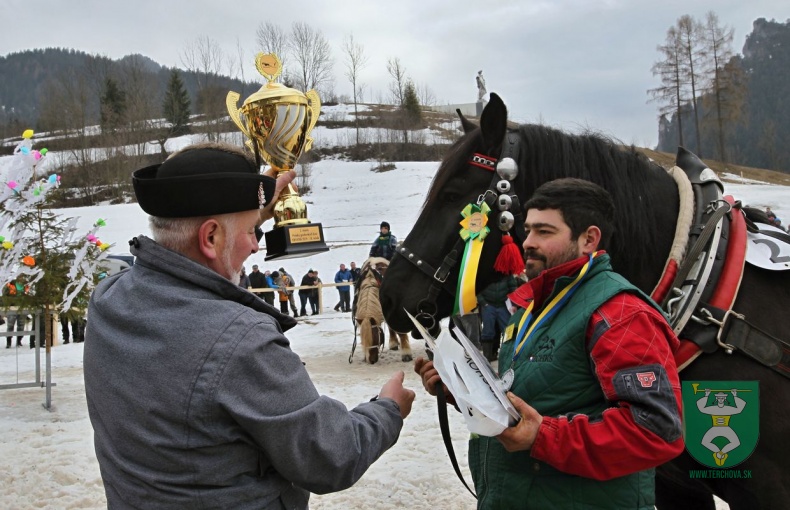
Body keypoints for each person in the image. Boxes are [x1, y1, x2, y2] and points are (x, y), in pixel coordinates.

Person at [83, 142, 415, 509]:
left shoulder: (108, 299)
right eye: (251, 233)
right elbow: (330, 456)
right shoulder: (240, 339)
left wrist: (246, 213)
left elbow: (200, 275)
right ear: (210, 238)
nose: (257, 246)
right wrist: (388, 408)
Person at [415, 178, 684, 508]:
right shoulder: (530, 306)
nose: (527, 242)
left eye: (544, 232)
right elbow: (537, 399)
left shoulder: (621, 313)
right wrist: (462, 391)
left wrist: (543, 437)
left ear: (588, 239)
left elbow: (656, 431)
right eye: (527, 230)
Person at [476, 275, 519, 361]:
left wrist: (514, 304)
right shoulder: (485, 272)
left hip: (503, 305)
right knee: (488, 332)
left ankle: (508, 357)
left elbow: (513, 288)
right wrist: (483, 302)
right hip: (488, 305)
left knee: (508, 331)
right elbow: (477, 288)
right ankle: (486, 359)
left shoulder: (507, 273)